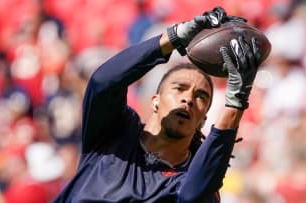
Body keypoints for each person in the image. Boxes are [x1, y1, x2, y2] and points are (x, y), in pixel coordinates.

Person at [54, 6, 261, 203]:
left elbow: (192, 197)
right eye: (179, 88)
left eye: (200, 97)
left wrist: (236, 102)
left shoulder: (191, 178)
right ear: (155, 101)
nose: (188, 99)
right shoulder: (116, 133)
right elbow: (104, 82)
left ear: (203, 120)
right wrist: (173, 37)